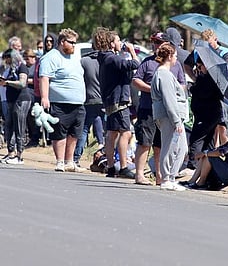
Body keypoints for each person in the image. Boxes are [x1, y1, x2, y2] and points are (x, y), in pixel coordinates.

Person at [133, 31, 186, 186]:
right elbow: (135, 80)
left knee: (161, 144)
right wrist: (154, 89)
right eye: (154, 42)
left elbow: (182, 84)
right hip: (148, 108)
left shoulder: (176, 65)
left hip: (168, 110)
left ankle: (160, 176)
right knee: (145, 142)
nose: (155, 45)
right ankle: (140, 174)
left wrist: (175, 92)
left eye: (158, 42)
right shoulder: (148, 62)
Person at [39, 28, 86, 172]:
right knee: (59, 132)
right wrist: (44, 97)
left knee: (74, 134)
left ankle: (69, 162)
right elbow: (44, 77)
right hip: (59, 103)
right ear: (62, 42)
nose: (74, 45)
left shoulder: (74, 57)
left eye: (75, 43)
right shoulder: (51, 57)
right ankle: (60, 162)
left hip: (78, 103)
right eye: (71, 43)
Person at [95, 28, 140, 178]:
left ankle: (110, 167)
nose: (121, 43)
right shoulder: (112, 59)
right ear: (111, 43)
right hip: (119, 100)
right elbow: (134, 64)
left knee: (112, 133)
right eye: (118, 40)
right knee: (126, 132)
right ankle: (123, 166)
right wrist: (132, 51)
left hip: (111, 101)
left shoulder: (106, 58)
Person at [151, 43, 188, 191]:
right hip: (169, 117)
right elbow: (169, 99)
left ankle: (171, 176)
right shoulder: (164, 74)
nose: (176, 60)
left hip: (172, 116)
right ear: (170, 56)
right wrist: (176, 120)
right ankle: (166, 178)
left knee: (181, 147)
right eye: (175, 56)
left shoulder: (165, 73)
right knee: (170, 146)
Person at [73, 45, 105, 168]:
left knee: (84, 129)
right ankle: (105, 154)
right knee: (108, 129)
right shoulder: (107, 60)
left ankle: (76, 158)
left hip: (89, 99)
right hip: (104, 100)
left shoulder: (84, 61)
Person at [0, 49, 30, 164]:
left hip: (21, 100)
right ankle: (11, 153)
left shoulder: (22, 67)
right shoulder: (9, 70)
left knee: (19, 127)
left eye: (8, 58)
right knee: (9, 126)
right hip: (11, 100)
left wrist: (7, 83)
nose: (6, 61)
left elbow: (22, 83)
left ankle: (19, 155)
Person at [23, 49, 41, 148]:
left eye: (28, 59)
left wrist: (27, 81)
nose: (27, 61)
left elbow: (38, 80)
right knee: (28, 118)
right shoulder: (26, 67)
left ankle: (35, 138)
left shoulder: (36, 67)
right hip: (26, 95)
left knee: (34, 117)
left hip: (35, 95)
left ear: (33, 58)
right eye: (25, 59)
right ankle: (30, 136)